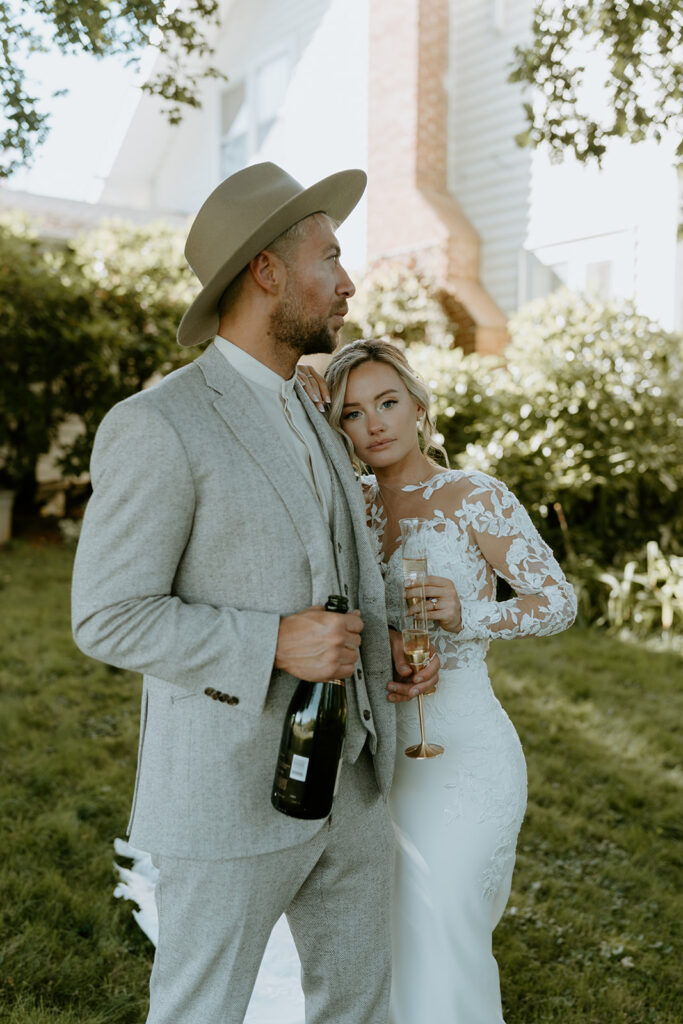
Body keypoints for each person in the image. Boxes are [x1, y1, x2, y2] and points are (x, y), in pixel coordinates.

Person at [71, 165, 438, 1024]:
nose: (348, 283)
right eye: (329, 259)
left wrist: (385, 662)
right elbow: (106, 616)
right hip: (225, 798)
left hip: (351, 781)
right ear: (266, 272)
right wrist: (270, 640)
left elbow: (338, 563)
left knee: (359, 1007)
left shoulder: (314, 406)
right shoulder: (158, 424)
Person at [298, 339, 577, 1023]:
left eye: (387, 403)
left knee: (448, 909)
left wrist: (470, 611)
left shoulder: (473, 495)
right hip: (377, 745)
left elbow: (558, 601)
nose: (375, 425)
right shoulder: (348, 503)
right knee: (386, 922)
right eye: (353, 414)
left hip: (467, 745)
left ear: (418, 408)